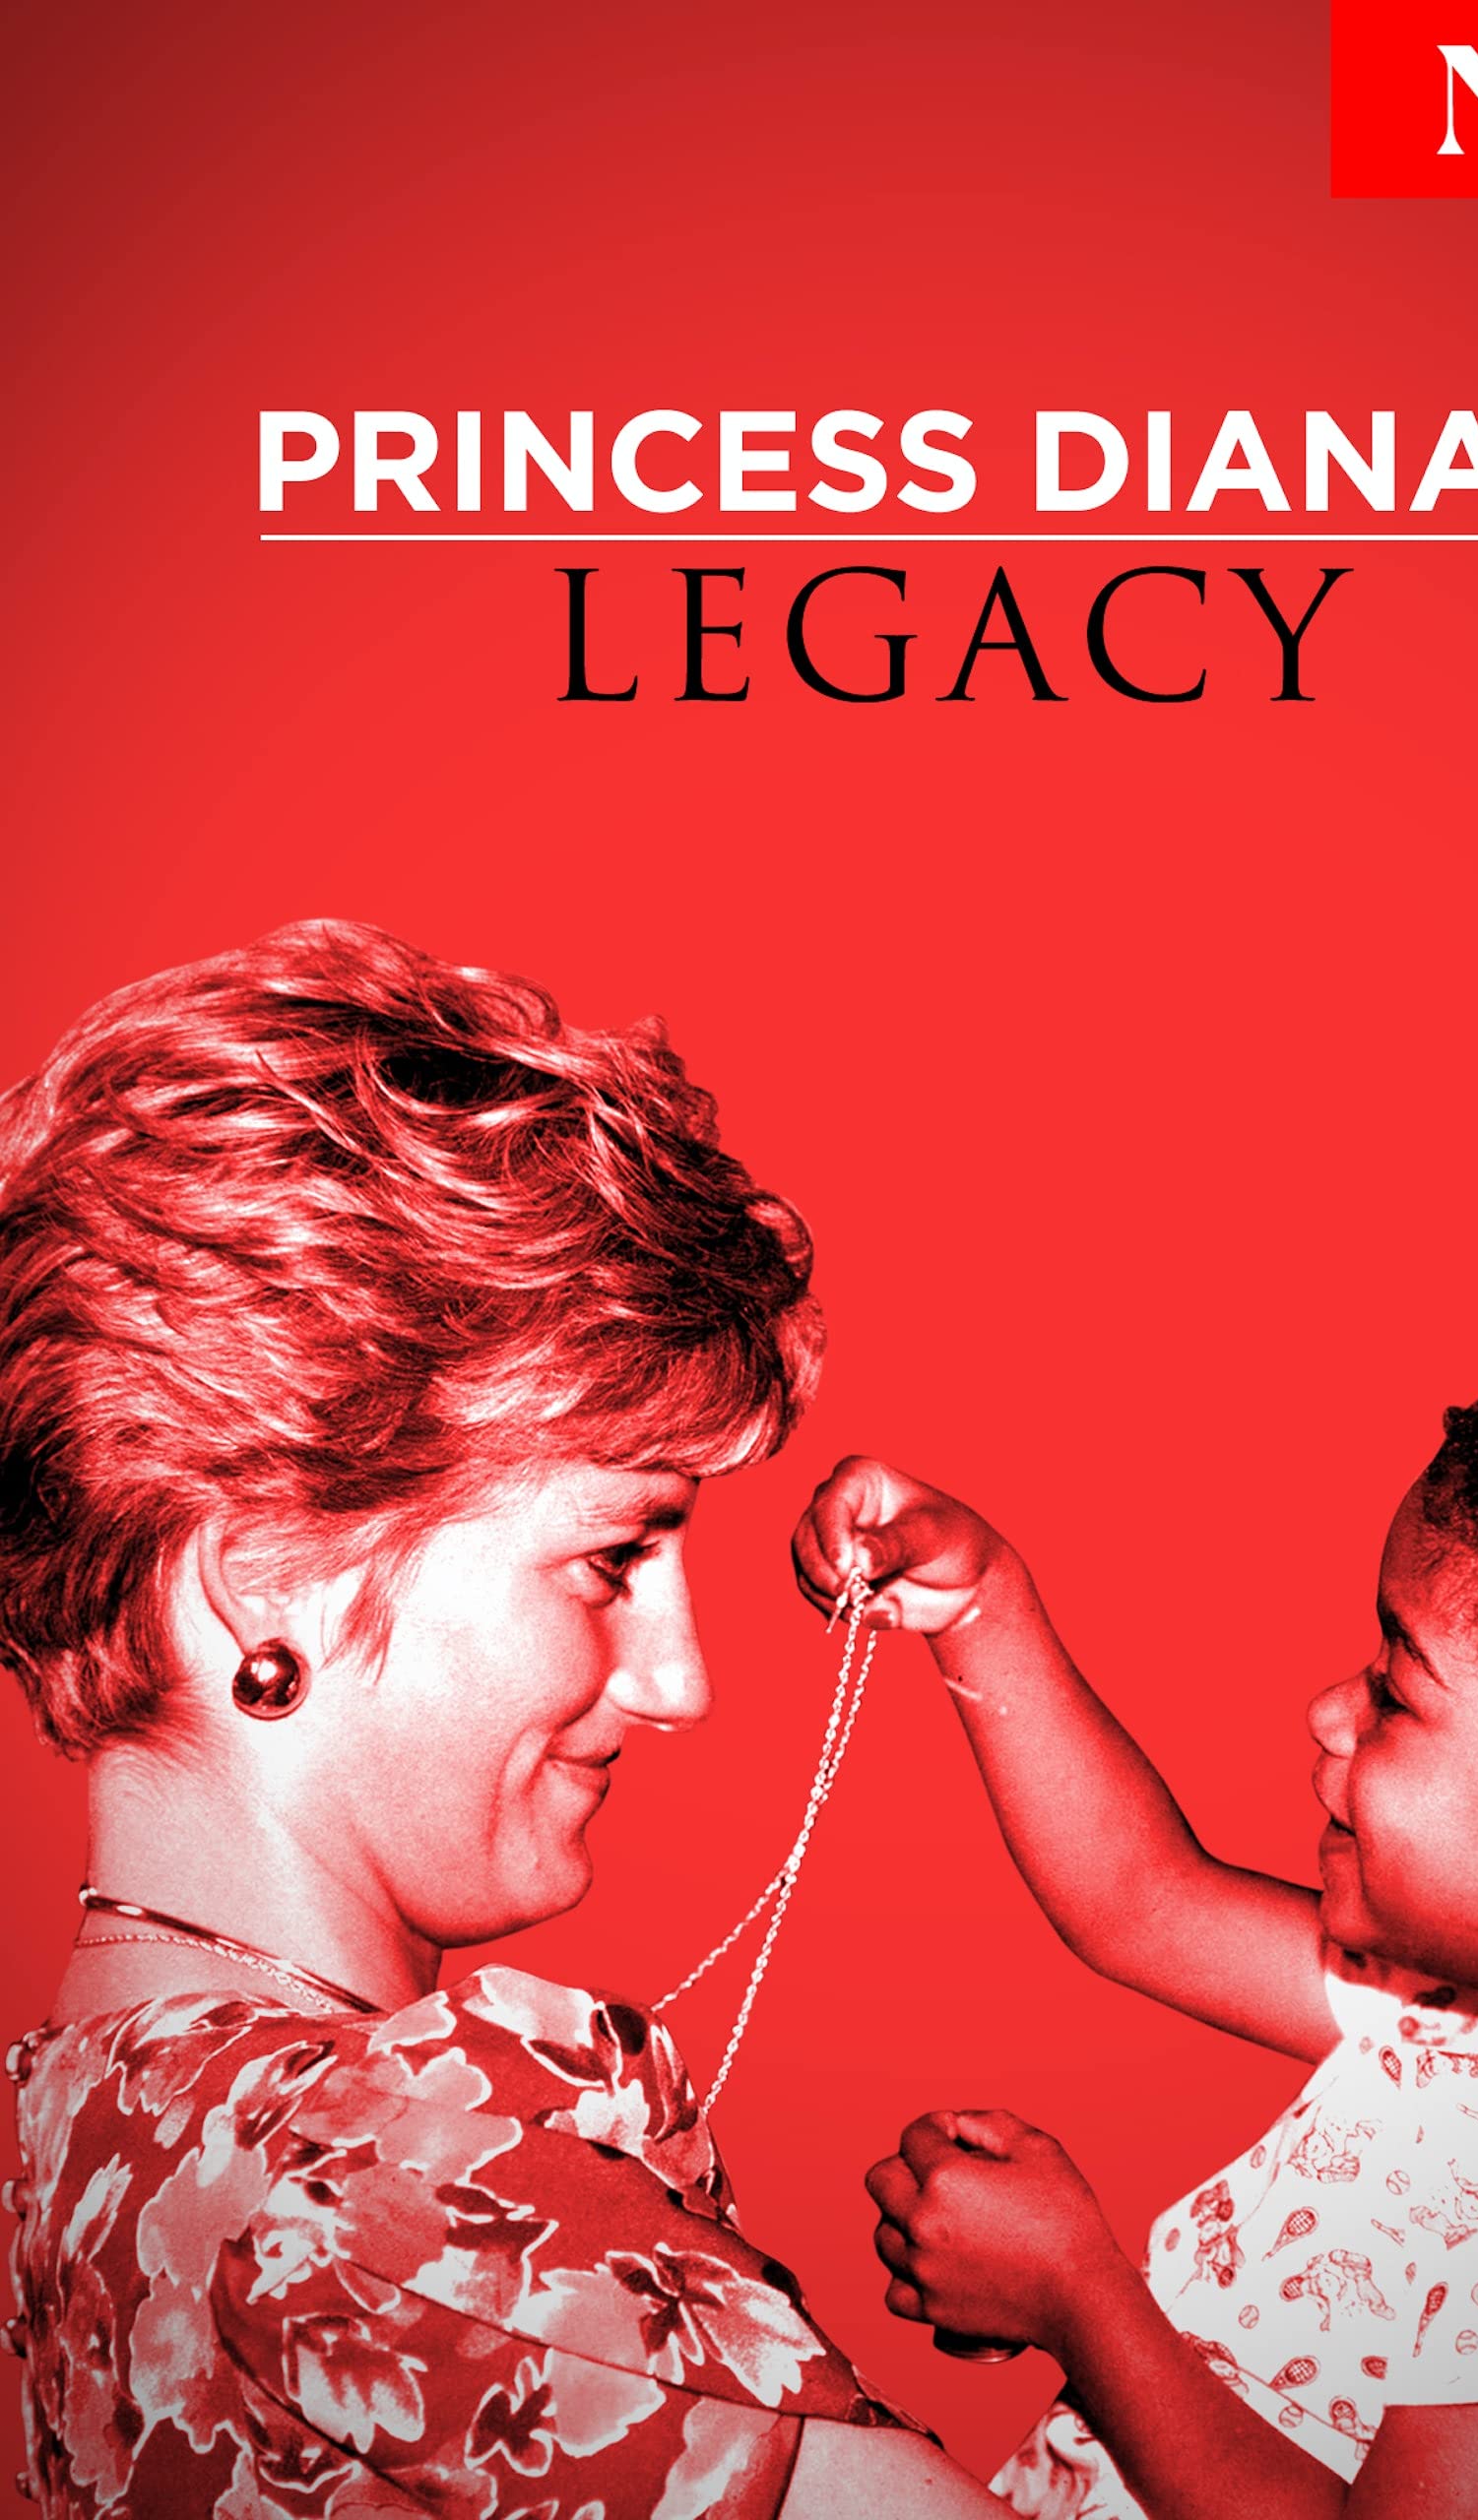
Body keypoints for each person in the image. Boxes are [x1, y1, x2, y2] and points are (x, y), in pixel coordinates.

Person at [0, 922, 1008, 2520]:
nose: (681, 1685)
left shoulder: (73, 2122)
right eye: (612, 1558)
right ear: (267, 1576)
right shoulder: (395, 2180)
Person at [795, 1325, 1478, 2520]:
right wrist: (980, 1604)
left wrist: (1077, 2298)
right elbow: (1141, 1901)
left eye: (1397, 1692)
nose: (1328, 1711)